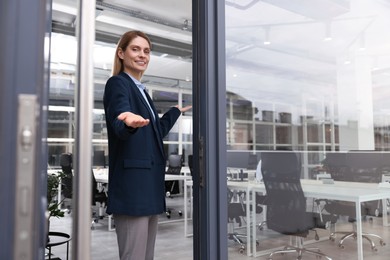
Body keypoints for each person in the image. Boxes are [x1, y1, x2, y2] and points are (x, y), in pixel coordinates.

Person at [103, 30, 192, 260]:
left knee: (146, 256)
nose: (142, 55)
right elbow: (119, 119)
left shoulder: (142, 91)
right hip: (133, 189)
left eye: (146, 51)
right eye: (136, 49)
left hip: (148, 187)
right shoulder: (118, 83)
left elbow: (155, 132)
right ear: (121, 53)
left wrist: (174, 112)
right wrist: (127, 120)